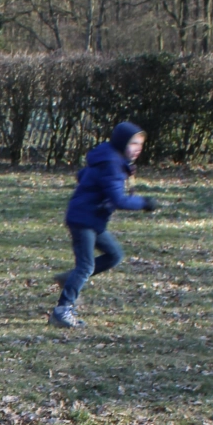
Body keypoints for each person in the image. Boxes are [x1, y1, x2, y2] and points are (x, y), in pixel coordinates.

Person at [49, 121, 157, 329]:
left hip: (93, 219)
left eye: (140, 144)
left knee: (114, 255)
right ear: (121, 142)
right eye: (133, 143)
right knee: (86, 265)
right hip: (84, 220)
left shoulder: (108, 158)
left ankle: (69, 279)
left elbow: (83, 176)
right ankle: (61, 311)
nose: (138, 149)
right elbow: (119, 200)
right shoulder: (112, 164)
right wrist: (144, 203)